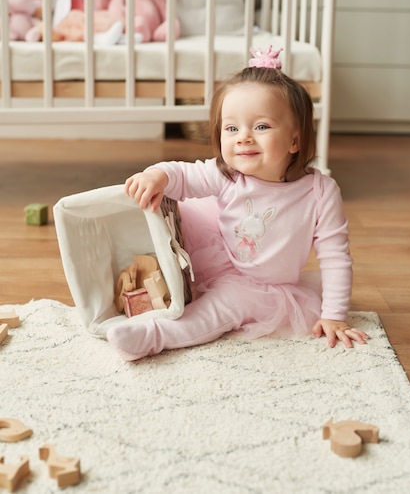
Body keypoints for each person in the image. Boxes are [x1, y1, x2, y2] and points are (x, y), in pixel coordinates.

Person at [107, 46, 369, 361]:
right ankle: (123, 277)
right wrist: (157, 175)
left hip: (259, 286)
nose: (243, 137)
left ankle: (152, 336)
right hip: (216, 251)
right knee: (164, 209)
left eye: (261, 126)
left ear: (295, 140)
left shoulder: (320, 192)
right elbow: (185, 174)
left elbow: (336, 257)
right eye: (232, 128)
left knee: (221, 309)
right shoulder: (228, 174)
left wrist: (335, 314)